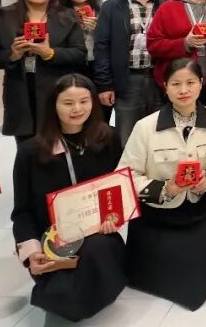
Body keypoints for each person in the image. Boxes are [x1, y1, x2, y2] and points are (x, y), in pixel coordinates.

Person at [117, 58, 206, 309]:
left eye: (190, 83)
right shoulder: (145, 127)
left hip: (198, 202)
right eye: (176, 84)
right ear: (165, 86)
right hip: (159, 210)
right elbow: (126, 176)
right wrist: (165, 189)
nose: (184, 90)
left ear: (201, 84)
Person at [11, 73, 125, 321]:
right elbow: (21, 212)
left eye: (84, 101)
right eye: (68, 103)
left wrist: (114, 216)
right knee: (65, 292)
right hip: (52, 241)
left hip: (98, 234)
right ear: (53, 105)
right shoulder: (31, 151)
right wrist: (31, 252)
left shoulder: (108, 138)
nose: (77, 109)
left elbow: (120, 190)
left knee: (96, 252)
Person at [0, 0, 87, 141]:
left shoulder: (67, 16)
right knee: (25, 145)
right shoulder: (4, 16)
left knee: (58, 144)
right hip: (19, 89)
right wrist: (13, 55)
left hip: (56, 88)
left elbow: (79, 54)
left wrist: (50, 53)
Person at [94, 0, 166, 145]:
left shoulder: (168, 4)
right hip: (127, 80)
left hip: (160, 79)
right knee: (128, 137)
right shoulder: (111, 7)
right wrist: (104, 85)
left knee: (161, 134)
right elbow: (102, 47)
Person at [57, 0, 103, 80]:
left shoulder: (104, 11)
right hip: (69, 66)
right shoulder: (57, 15)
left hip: (98, 65)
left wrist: (99, 30)